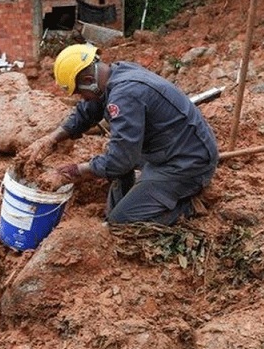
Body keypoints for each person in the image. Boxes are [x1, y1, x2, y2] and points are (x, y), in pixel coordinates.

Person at [18, 43, 219, 225]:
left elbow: (120, 161)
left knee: (121, 221)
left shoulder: (125, 95)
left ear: (89, 80)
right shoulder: (114, 74)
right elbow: (87, 111)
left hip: (188, 163)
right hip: (168, 147)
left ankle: (187, 207)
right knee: (118, 161)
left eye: (80, 92)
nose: (82, 98)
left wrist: (71, 172)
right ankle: (136, 196)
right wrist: (50, 139)